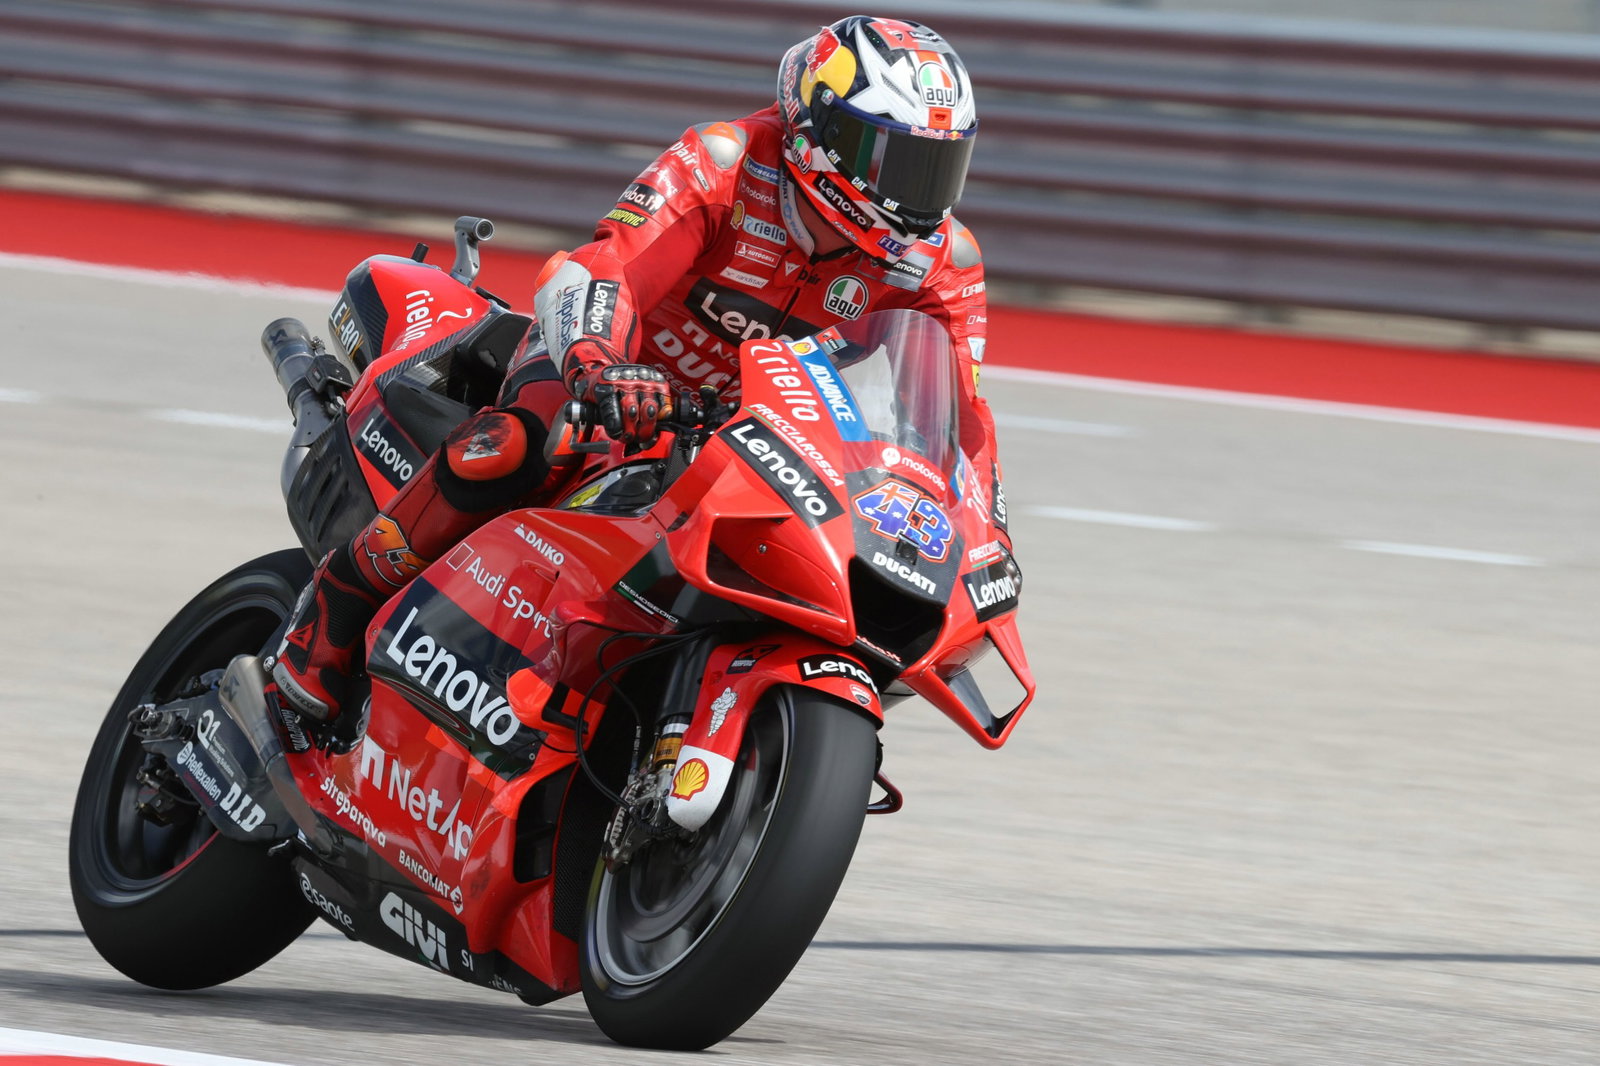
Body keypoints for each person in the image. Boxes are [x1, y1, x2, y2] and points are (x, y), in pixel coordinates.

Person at [270, 14, 1004, 728]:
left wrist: (982, 533)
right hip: (608, 374)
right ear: (823, 134)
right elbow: (610, 266)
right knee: (518, 446)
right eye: (898, 162)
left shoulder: (943, 263)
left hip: (756, 439)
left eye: (938, 167)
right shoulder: (724, 163)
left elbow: (962, 423)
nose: (920, 195)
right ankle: (337, 605)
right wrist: (600, 366)